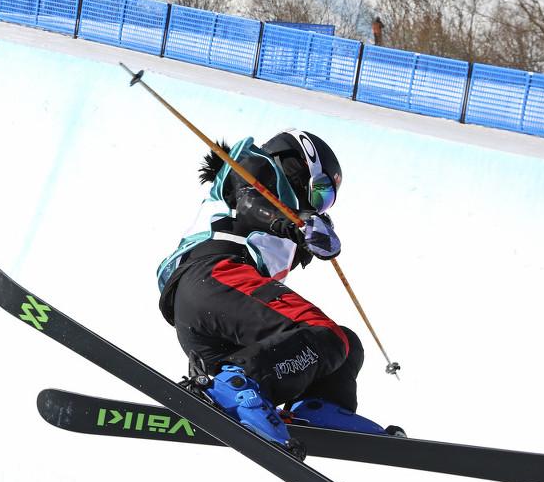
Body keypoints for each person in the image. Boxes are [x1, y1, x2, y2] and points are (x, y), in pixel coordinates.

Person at [156, 130, 387, 455]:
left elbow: (293, 242)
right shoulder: (254, 168)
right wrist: (296, 226)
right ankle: (237, 383)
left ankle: (317, 406)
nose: (318, 204)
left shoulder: (289, 222)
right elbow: (252, 203)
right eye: (319, 191)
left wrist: (315, 236)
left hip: (216, 327)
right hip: (213, 277)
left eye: (326, 200)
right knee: (325, 334)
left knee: (346, 347)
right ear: (300, 167)